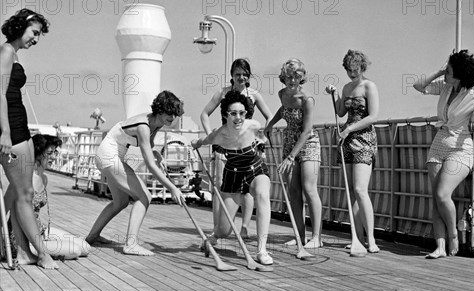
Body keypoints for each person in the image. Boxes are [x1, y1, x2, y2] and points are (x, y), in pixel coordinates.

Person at [413, 49, 474, 259]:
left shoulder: (473, 95)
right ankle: (439, 247)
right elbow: (418, 85)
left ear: (459, 74)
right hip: (438, 144)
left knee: (442, 194)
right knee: (436, 198)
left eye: (449, 70)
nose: (445, 74)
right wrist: (439, 71)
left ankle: (453, 235)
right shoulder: (444, 88)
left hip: (461, 148)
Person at [85, 90, 185, 256]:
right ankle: (131, 244)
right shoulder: (143, 127)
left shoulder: (157, 123)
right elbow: (150, 166)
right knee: (144, 196)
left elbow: (149, 144)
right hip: (109, 156)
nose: (173, 118)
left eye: (175, 114)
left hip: (112, 156)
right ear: (160, 111)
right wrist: (172, 188)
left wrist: (157, 154)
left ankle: (92, 236)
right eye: (170, 113)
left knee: (120, 202)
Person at [0, 9, 58, 269]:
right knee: (25, 193)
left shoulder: (11, 53)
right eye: (34, 33)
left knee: (16, 193)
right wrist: (6, 133)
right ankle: (43, 253)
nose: (36, 39)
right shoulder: (5, 52)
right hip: (12, 130)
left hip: (15, 128)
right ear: (19, 27)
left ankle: (22, 251)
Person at [192, 90, 273, 265]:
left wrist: (262, 140)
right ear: (225, 115)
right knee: (224, 230)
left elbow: (261, 135)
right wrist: (196, 143)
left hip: (255, 167)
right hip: (233, 173)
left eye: (242, 113)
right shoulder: (219, 134)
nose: (238, 118)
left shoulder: (253, 125)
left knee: (262, 195)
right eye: (233, 113)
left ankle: (261, 250)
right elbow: (203, 141)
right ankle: (213, 236)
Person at [200, 58, 272, 239]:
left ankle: (245, 227)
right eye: (237, 74)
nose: (241, 77)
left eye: (244, 74)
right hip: (226, 148)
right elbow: (204, 114)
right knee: (222, 188)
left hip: (248, 148)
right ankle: (219, 228)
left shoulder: (254, 94)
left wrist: (261, 138)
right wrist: (212, 138)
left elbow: (270, 117)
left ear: (249, 76)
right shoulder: (223, 93)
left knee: (249, 189)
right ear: (232, 75)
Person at [326, 49, 380, 253]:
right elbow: (341, 112)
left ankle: (372, 239)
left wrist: (348, 129)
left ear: (362, 68)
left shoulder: (369, 86)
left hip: (364, 138)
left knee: (360, 189)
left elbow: (373, 116)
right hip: (346, 140)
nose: (351, 74)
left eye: (355, 70)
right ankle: (357, 237)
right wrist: (335, 94)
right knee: (352, 193)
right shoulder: (347, 86)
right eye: (349, 70)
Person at [265, 59, 322, 248]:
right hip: (290, 141)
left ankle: (316, 237)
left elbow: (306, 131)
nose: (292, 80)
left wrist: (290, 157)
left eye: (296, 77)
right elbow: (283, 110)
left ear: (302, 78)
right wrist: (270, 123)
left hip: (308, 143)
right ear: (284, 77)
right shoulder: (282, 94)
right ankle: (299, 235)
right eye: (289, 76)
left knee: (309, 188)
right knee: (294, 191)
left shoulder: (307, 100)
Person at [5, 134, 91, 260]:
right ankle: (36, 252)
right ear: (38, 153)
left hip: (40, 230)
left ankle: (47, 248)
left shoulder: (44, 178)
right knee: (75, 250)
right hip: (23, 239)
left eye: (55, 152)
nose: (54, 157)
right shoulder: (23, 178)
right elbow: (5, 206)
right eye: (49, 153)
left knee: (85, 247)